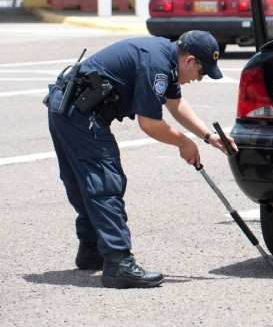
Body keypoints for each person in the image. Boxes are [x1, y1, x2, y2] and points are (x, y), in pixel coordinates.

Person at [46, 30, 237, 289]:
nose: (199, 79)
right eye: (202, 72)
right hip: (79, 112)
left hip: (69, 107)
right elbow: (149, 124)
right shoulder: (156, 64)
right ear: (190, 61)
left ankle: (92, 249)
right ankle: (118, 263)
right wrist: (183, 142)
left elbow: (176, 104)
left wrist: (207, 136)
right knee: (104, 182)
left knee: (87, 181)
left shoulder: (166, 58)